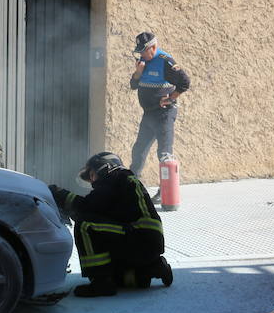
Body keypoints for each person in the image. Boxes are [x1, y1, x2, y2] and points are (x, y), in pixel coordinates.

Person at [48, 152, 173, 297]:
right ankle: (154, 269)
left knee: (85, 225)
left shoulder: (116, 177)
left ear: (104, 167)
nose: (92, 181)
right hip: (145, 243)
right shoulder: (124, 181)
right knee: (116, 276)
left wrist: (59, 194)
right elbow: (102, 213)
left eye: (92, 174)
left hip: (139, 238)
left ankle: (100, 282)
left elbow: (88, 206)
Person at [129, 31, 191, 204]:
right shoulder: (142, 63)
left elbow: (185, 82)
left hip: (164, 114)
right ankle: (131, 189)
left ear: (153, 47)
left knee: (164, 154)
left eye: (143, 51)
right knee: (138, 151)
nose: (141, 54)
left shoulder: (165, 61)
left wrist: (171, 98)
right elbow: (133, 85)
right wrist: (138, 72)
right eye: (139, 51)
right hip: (148, 114)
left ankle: (166, 193)